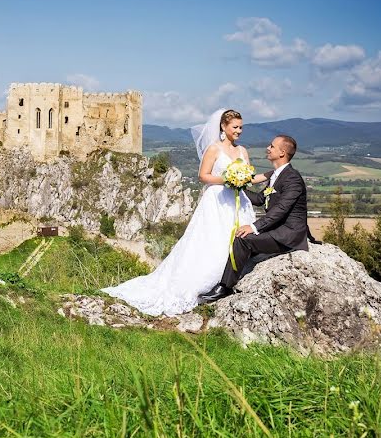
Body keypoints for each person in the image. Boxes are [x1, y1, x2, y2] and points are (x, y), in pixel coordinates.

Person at [101, 108, 267, 316]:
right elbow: (203, 176)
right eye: (235, 127)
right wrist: (228, 179)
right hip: (217, 200)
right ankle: (209, 283)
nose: (239, 131)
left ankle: (230, 278)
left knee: (238, 239)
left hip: (238, 201)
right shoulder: (214, 149)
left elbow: (248, 177)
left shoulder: (242, 151)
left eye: (241, 127)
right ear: (224, 127)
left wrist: (268, 175)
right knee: (212, 240)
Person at [198, 134, 315, 303]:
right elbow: (261, 199)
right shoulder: (277, 175)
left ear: (282, 153)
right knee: (242, 241)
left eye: (272, 146)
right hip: (278, 230)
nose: (268, 148)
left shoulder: (292, 178)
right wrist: (236, 185)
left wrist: (253, 227)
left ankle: (225, 287)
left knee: (243, 239)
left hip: (289, 235)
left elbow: (281, 210)